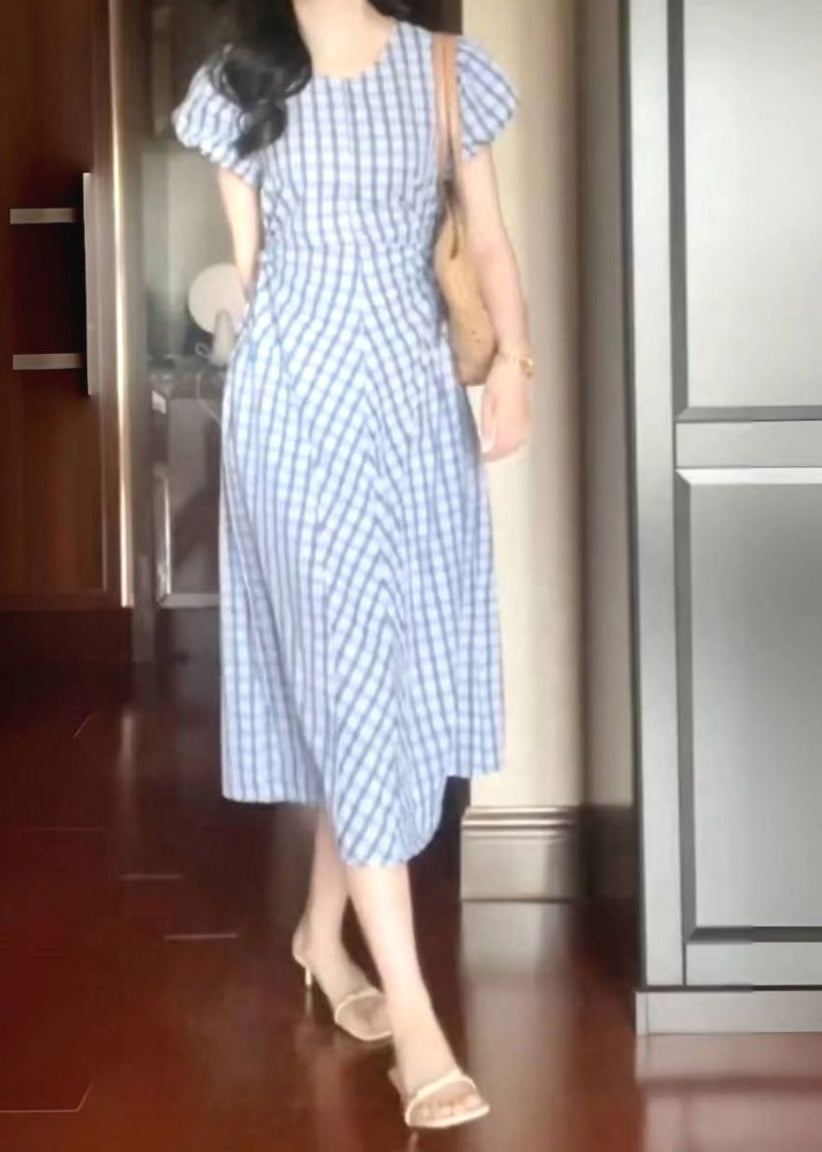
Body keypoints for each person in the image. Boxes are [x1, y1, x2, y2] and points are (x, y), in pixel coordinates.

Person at [172, 0, 531, 1130]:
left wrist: (514, 363)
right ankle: (416, 1026)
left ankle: (320, 939)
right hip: (294, 414)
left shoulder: (443, 70)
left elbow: (488, 235)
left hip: (415, 413)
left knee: (380, 678)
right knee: (350, 672)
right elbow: (256, 274)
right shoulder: (236, 83)